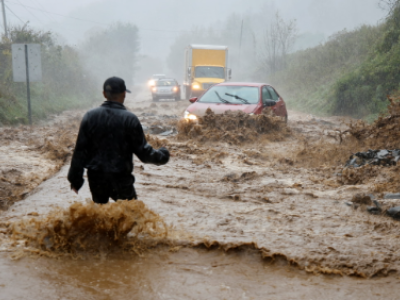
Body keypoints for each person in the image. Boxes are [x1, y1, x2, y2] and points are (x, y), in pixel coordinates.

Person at [67, 76, 170, 203]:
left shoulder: (90, 116)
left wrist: (75, 180)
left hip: (96, 177)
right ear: (124, 94)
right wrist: (163, 155)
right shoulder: (130, 119)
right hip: (121, 178)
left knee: (100, 214)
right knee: (130, 216)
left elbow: (80, 151)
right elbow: (144, 153)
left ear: (104, 94)